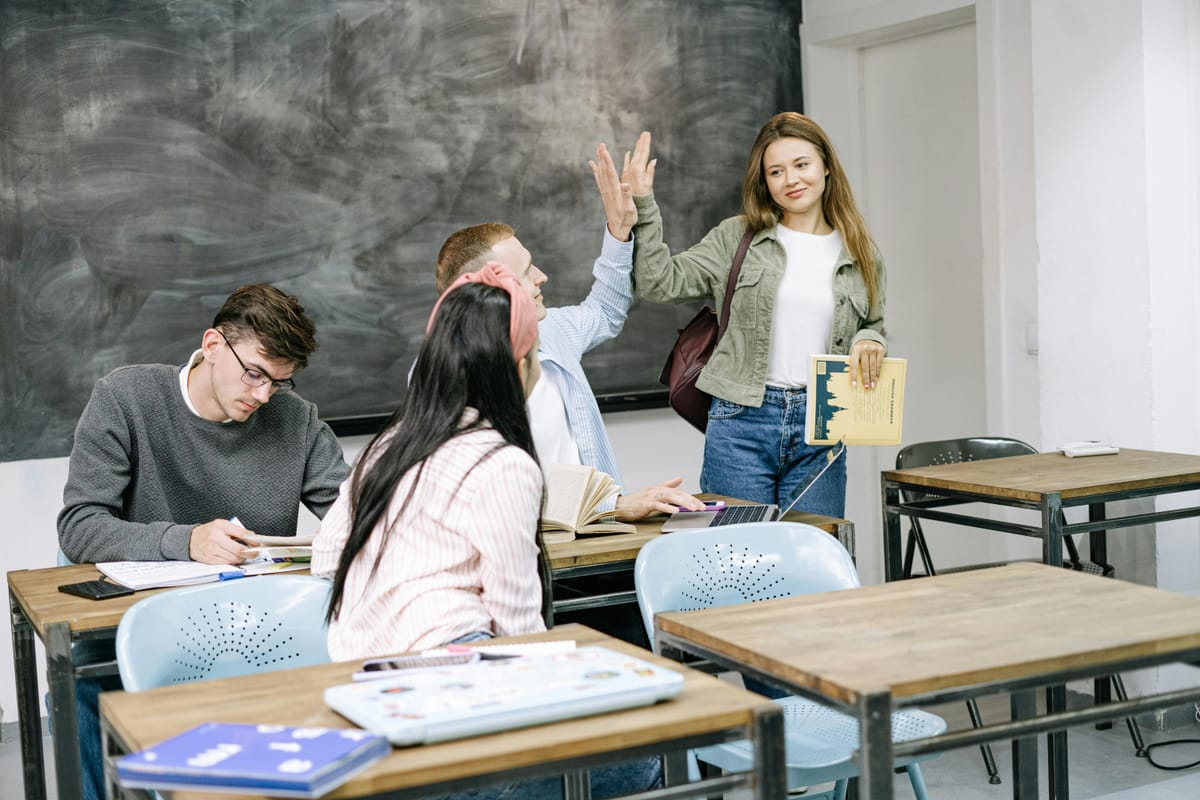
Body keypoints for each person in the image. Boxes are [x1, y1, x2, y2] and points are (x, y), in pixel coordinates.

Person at [312, 264, 661, 799]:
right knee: (647, 756)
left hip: (366, 691)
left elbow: (326, 556)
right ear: (517, 367)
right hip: (458, 690)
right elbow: (519, 628)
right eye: (538, 354)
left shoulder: (389, 444)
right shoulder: (503, 464)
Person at [57, 283, 351, 800]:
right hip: (138, 617)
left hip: (256, 619)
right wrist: (185, 540)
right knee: (87, 683)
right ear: (213, 345)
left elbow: (354, 514)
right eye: (254, 374)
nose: (262, 396)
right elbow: (80, 526)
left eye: (278, 383)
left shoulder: (295, 418)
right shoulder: (126, 398)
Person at [624, 115, 887, 520]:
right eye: (776, 172)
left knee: (814, 554)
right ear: (764, 182)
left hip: (823, 426)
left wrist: (871, 340)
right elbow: (659, 282)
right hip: (742, 420)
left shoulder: (859, 251)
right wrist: (644, 205)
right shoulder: (737, 236)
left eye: (802, 165)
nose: (791, 180)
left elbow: (873, 322)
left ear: (826, 166)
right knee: (738, 561)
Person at [434, 140, 703, 521]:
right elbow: (487, 501)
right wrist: (615, 506)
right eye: (526, 271)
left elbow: (605, 310)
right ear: (487, 287)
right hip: (521, 551)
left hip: (594, 540)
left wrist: (619, 230)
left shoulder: (551, 331)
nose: (542, 276)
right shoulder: (442, 378)